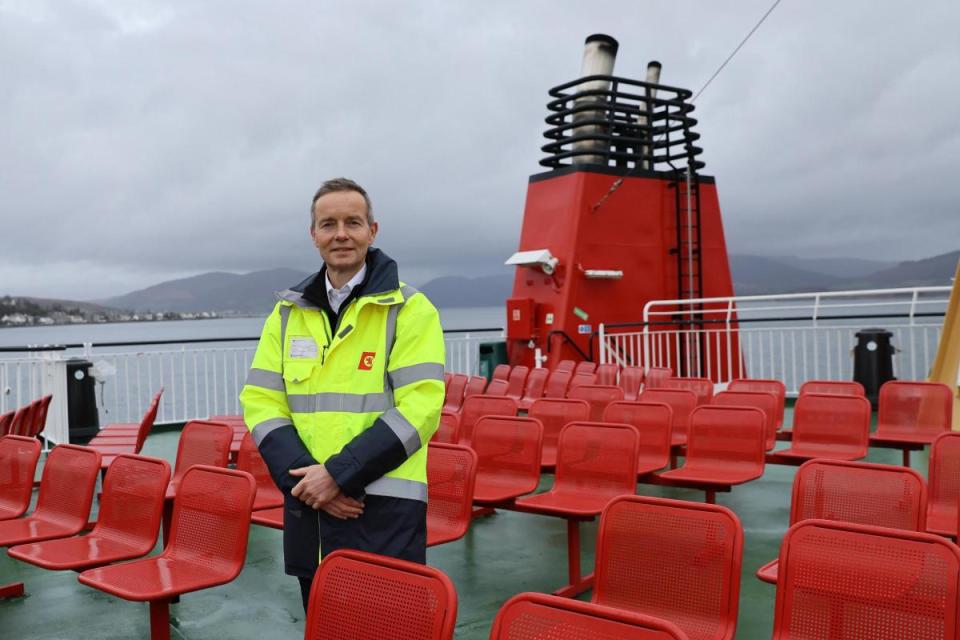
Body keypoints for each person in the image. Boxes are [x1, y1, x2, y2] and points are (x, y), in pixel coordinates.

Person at [239, 177, 445, 611]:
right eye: (328, 224)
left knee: (388, 627)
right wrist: (310, 482)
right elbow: (261, 402)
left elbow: (422, 408)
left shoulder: (410, 309)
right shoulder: (286, 313)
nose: (341, 234)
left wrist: (336, 476)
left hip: (382, 511)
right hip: (310, 510)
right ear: (313, 235)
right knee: (324, 622)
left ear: (373, 230)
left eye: (353, 222)